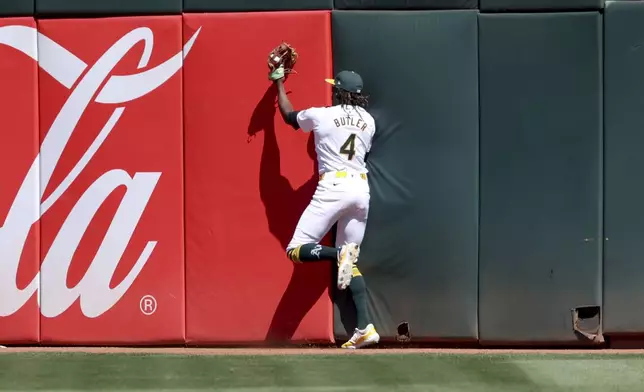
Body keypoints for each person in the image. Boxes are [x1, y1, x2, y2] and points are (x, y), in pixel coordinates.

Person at [268, 66, 380, 349]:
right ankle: (365, 327)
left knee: (296, 249)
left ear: (338, 91)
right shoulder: (369, 121)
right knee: (350, 264)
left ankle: (337, 253)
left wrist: (279, 83)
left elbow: (288, 116)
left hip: (334, 187)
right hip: (361, 190)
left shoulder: (322, 114)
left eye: (334, 87)